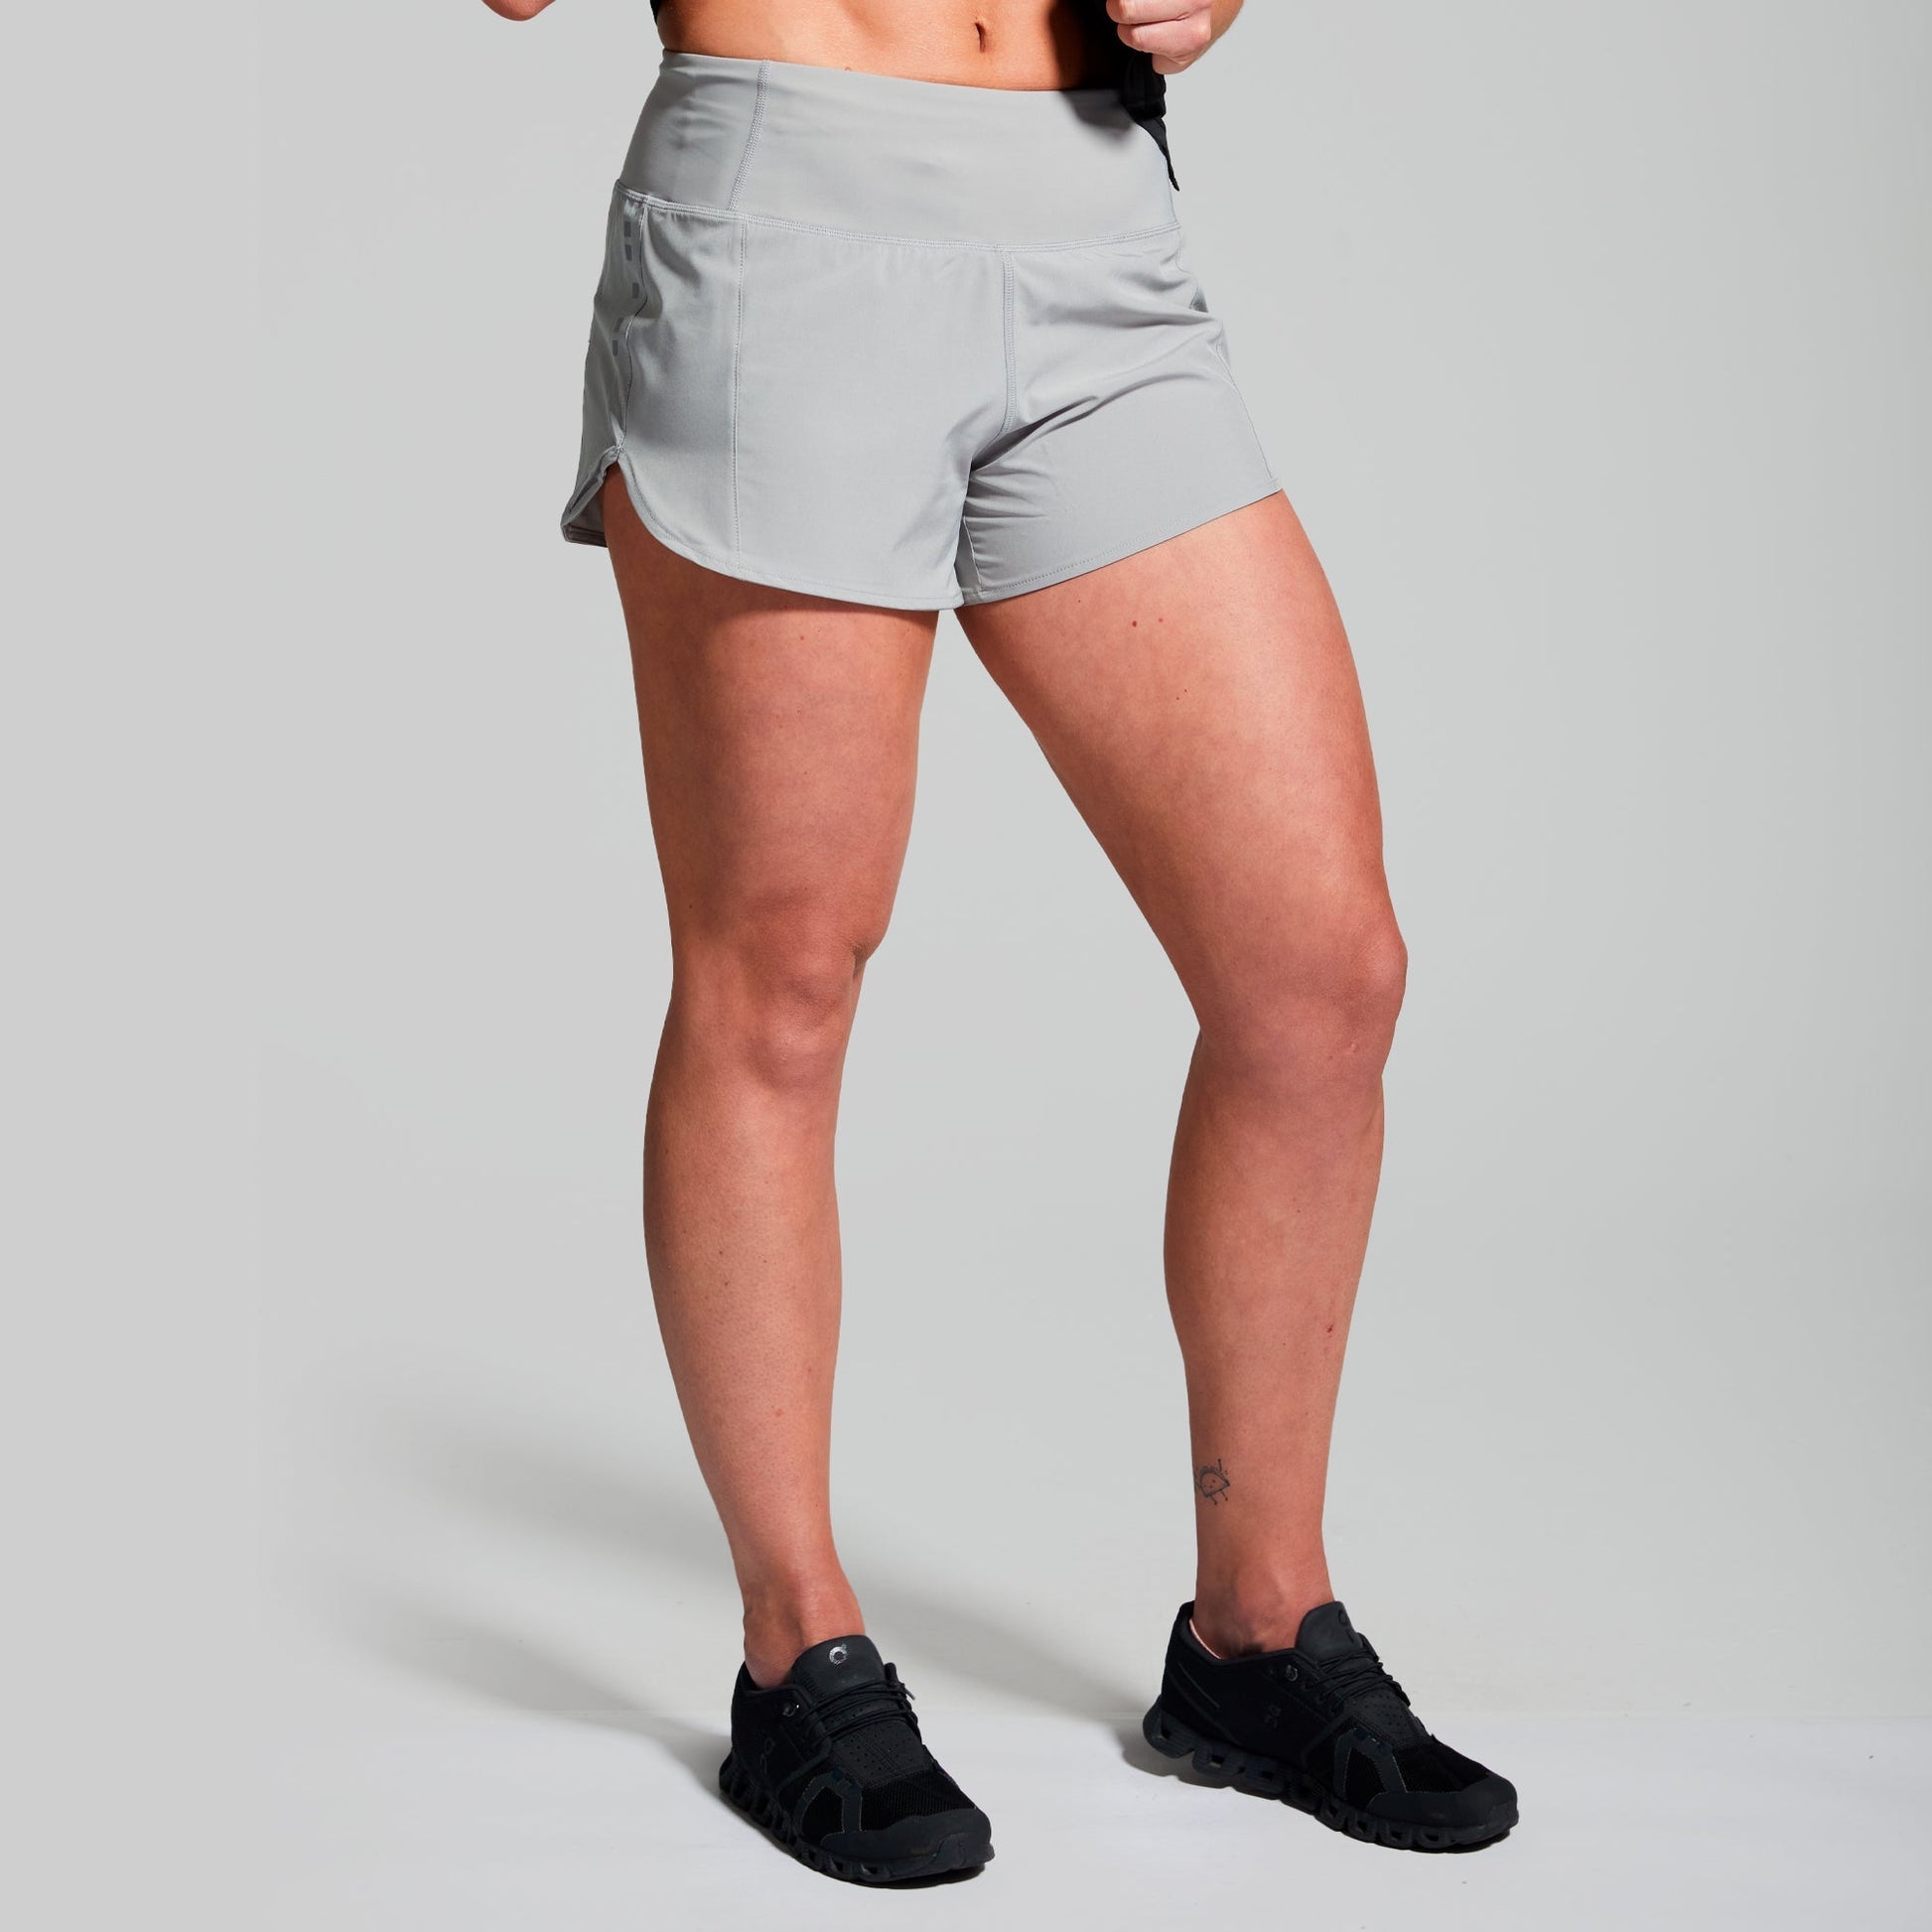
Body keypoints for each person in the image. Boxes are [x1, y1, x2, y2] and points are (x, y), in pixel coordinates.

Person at [480, 0, 1517, 1881]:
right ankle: (797, 1648)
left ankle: (1256, 1632)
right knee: (783, 975)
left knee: (1316, 976)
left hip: (1091, 218)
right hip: (786, 210)